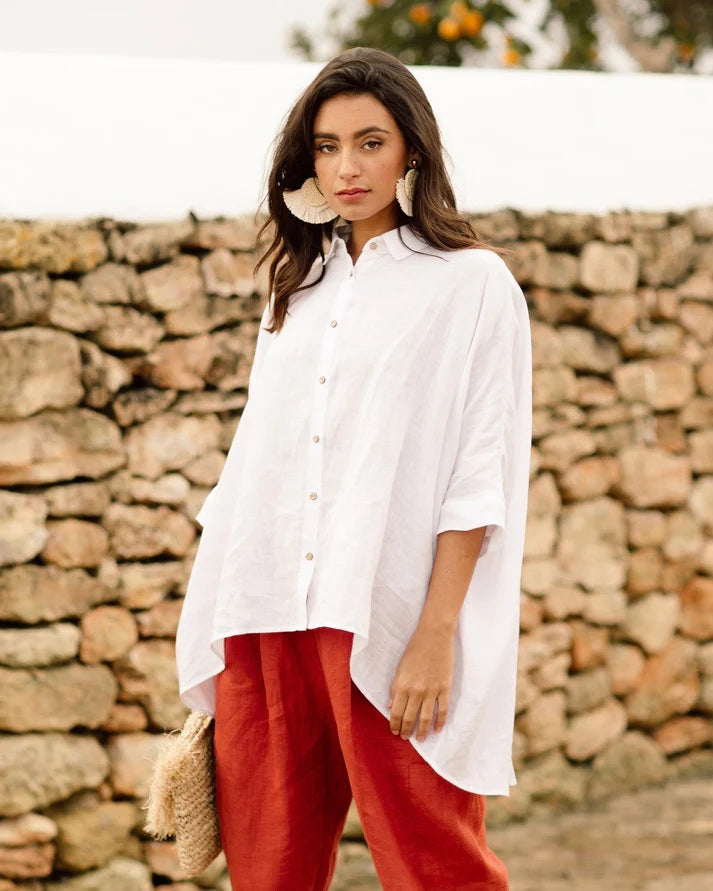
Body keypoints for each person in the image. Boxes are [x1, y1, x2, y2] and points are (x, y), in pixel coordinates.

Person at [175, 46, 532, 890]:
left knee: (434, 859)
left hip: (384, 607)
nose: (347, 167)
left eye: (370, 142)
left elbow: (476, 475)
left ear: (413, 148)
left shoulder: (471, 285)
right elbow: (255, 461)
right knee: (268, 866)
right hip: (264, 602)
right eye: (328, 146)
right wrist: (213, 616)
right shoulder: (296, 290)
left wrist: (435, 635)